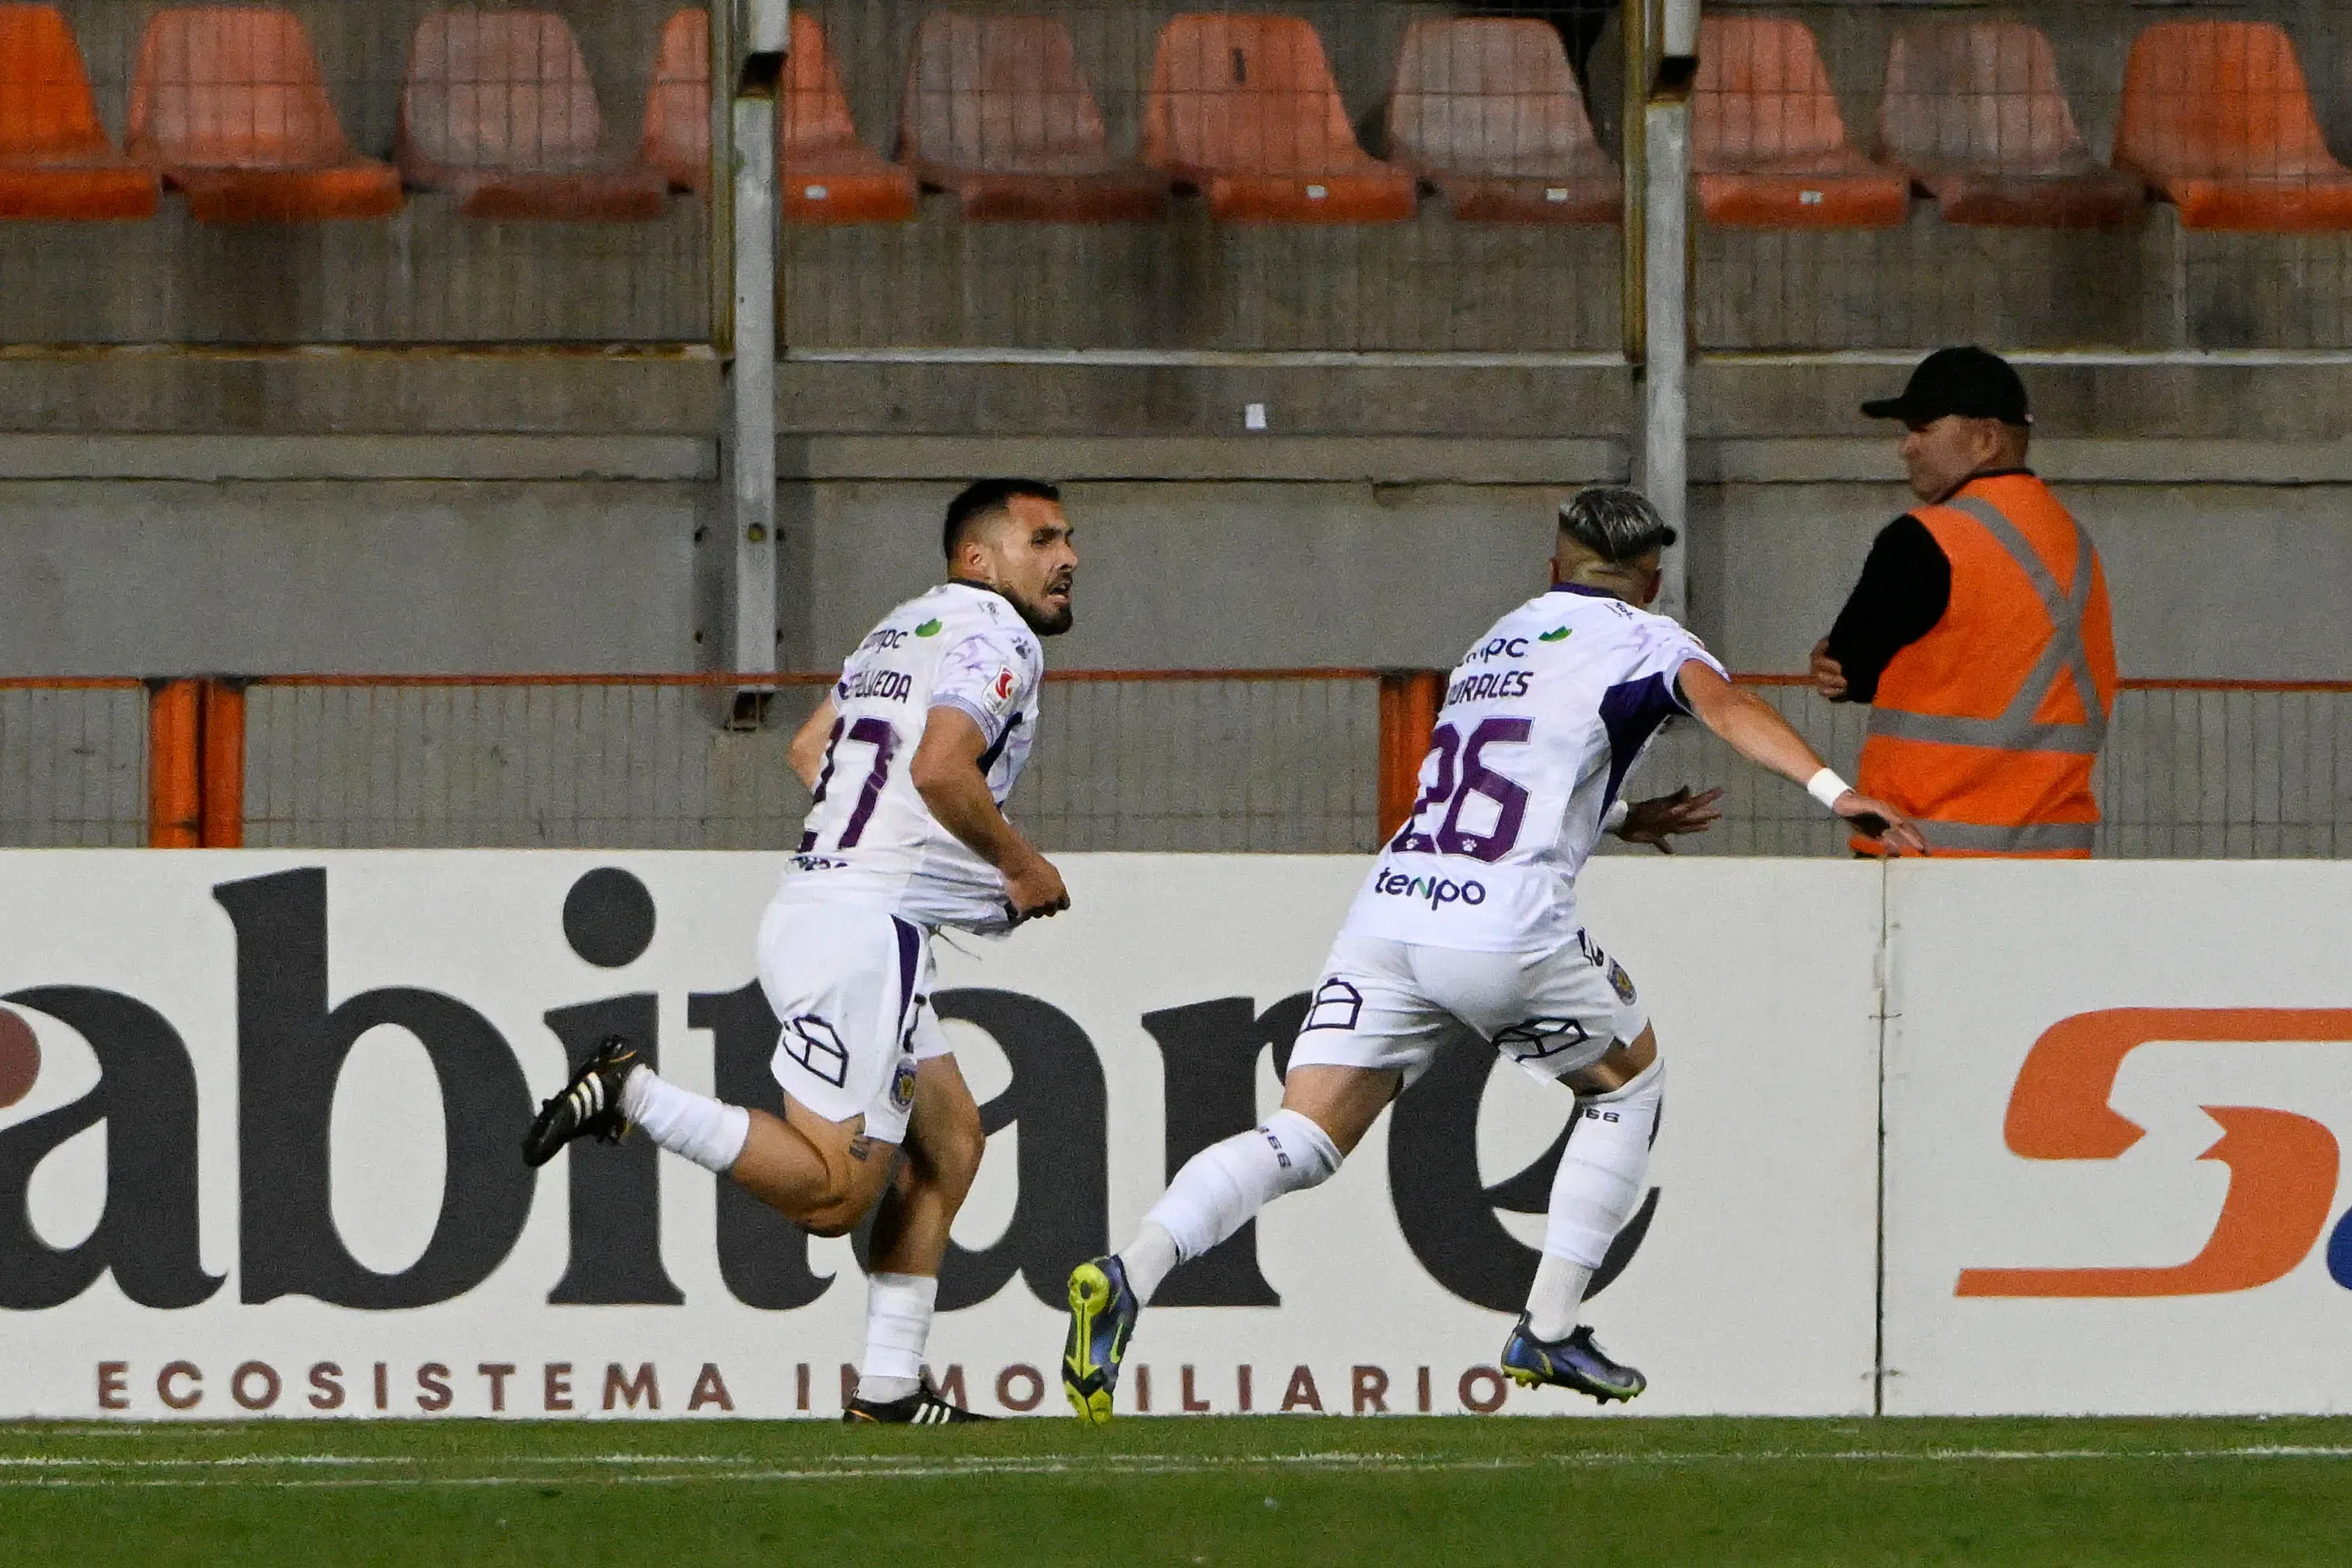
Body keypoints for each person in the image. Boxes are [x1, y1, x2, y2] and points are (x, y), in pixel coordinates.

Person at [1059, 487, 1923, 1423]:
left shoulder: (1498, 642)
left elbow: (1496, 778)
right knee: (1628, 1084)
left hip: (1390, 913)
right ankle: (1547, 1327)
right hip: (1503, 925)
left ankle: (1130, 1269)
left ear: (1552, 569)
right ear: (1654, 580)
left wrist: (1621, 815)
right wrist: (1835, 789)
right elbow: (1728, 708)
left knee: (1302, 1136)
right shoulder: (1653, 642)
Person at [526, 478, 1079, 1425]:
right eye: (1045, 539)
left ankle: (891, 1389)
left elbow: (808, 750)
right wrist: (1018, 867)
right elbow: (941, 767)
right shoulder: (1000, 635)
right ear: (979, 559)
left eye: (1069, 540)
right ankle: (634, 1094)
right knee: (830, 1193)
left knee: (950, 1143)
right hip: (863, 934)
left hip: (824, 906)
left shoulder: (900, 630)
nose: (1069, 557)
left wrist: (886, 854)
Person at [1811, 346, 2118, 857]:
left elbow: (1849, 668)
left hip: (1927, 860)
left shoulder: (1926, 538)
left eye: (1922, 428)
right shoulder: (2073, 541)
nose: (1906, 448)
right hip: (2055, 864)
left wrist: (1829, 655)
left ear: (1985, 439)